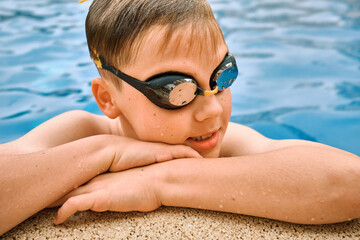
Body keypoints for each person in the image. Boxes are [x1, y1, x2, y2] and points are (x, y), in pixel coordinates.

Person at [0, 0, 359, 235]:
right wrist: (103, 152)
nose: (212, 109)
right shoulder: (83, 131)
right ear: (108, 99)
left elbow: (348, 181)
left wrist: (161, 182)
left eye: (223, 77)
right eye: (176, 90)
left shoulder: (225, 141)